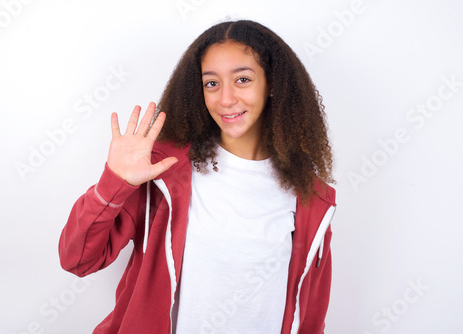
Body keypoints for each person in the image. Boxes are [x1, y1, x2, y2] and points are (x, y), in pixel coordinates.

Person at [59, 19, 336, 334]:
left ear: (272, 84)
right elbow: (77, 260)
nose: (226, 99)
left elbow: (310, 319)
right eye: (212, 83)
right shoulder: (163, 170)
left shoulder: (310, 197)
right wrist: (114, 183)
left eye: (242, 79)